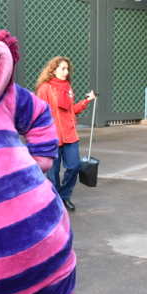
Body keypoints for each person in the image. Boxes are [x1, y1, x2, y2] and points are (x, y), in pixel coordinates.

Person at [36, 56, 95, 211]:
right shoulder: (45, 88)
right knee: (53, 173)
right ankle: (55, 201)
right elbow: (39, 113)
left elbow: (71, 110)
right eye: (62, 68)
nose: (66, 72)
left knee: (74, 165)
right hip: (52, 137)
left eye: (67, 69)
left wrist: (86, 101)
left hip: (69, 135)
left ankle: (64, 196)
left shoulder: (68, 88)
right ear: (53, 69)